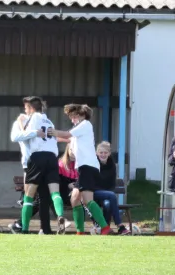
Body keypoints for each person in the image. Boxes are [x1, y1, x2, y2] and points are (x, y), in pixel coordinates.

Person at [48, 104, 112, 235]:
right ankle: (80, 232)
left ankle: (105, 227)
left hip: (87, 167)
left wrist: (52, 131)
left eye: (74, 117)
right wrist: (48, 137)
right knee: (75, 199)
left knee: (87, 200)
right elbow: (66, 138)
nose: (72, 120)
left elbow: (66, 134)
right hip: (84, 168)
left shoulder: (85, 125)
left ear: (82, 115)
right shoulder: (80, 129)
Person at [14, 96, 67, 235]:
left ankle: (24, 229)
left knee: (29, 196)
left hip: (38, 157)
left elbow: (24, 133)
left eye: (26, 108)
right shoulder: (49, 121)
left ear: (31, 108)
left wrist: (20, 122)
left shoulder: (34, 118)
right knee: (54, 192)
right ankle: (60, 215)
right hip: (52, 158)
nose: (25, 111)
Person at [8, 113, 59, 235]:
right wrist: (33, 132)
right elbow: (15, 137)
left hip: (39, 162)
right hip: (29, 164)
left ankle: (43, 228)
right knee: (30, 197)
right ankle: (23, 225)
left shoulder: (44, 122)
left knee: (43, 197)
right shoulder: (21, 123)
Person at [95, 141, 130, 235]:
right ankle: (119, 225)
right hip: (94, 193)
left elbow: (111, 184)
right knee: (111, 195)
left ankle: (105, 228)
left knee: (108, 203)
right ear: (97, 153)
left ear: (109, 153)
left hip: (107, 194)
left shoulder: (112, 165)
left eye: (105, 152)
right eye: (101, 152)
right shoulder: (93, 164)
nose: (103, 155)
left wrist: (107, 193)